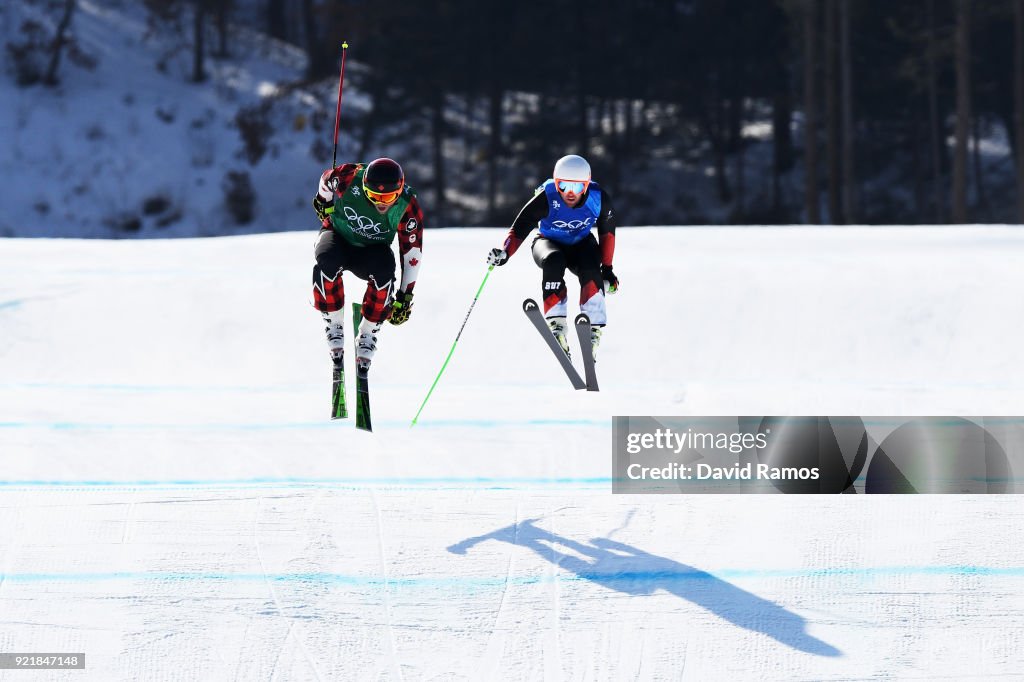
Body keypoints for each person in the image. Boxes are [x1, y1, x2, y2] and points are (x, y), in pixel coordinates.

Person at [487, 154, 619, 358]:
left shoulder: (599, 198)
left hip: (581, 244)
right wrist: (505, 253)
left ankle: (593, 330)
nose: (569, 193)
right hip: (548, 242)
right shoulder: (547, 197)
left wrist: (607, 270)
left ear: (586, 185)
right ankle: (557, 323)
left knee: (591, 267)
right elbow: (520, 228)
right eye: (563, 186)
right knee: (554, 260)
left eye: (576, 187)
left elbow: (607, 233)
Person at [311, 157, 423, 371]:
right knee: (326, 261)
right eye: (373, 196)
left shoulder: (407, 207)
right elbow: (326, 179)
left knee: (385, 272)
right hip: (338, 236)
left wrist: (404, 296)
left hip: (372, 251)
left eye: (389, 197)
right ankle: (334, 323)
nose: (382, 202)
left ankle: (368, 333)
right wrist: (323, 200)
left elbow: (412, 253)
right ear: (364, 187)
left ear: (399, 191)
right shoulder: (350, 177)